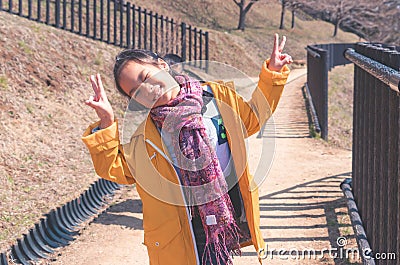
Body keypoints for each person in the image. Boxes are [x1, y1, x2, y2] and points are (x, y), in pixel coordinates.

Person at [82, 33, 292, 265]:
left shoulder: (215, 98)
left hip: (221, 215)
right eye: (136, 92)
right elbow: (117, 170)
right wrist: (106, 122)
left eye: (145, 76)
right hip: (181, 230)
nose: (147, 89)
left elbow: (252, 118)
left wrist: (272, 74)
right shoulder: (143, 134)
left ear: (162, 65)